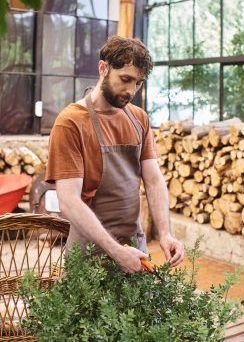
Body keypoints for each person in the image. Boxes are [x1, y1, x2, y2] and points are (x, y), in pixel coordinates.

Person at [45, 35, 184, 273]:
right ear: (103, 68)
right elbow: (69, 201)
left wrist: (165, 233)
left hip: (134, 247)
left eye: (138, 83)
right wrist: (116, 251)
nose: (131, 90)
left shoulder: (139, 118)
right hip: (89, 253)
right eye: (125, 79)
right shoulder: (71, 122)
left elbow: (153, 180)